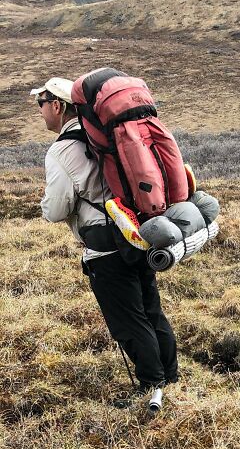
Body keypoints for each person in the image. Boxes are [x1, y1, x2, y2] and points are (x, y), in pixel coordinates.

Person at [32, 77, 178, 403]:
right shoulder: (103, 137)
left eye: (40, 104)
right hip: (138, 230)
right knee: (150, 308)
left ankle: (151, 387)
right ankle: (170, 376)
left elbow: (56, 209)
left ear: (56, 105)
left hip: (105, 245)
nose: (40, 111)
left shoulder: (62, 150)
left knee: (128, 319)